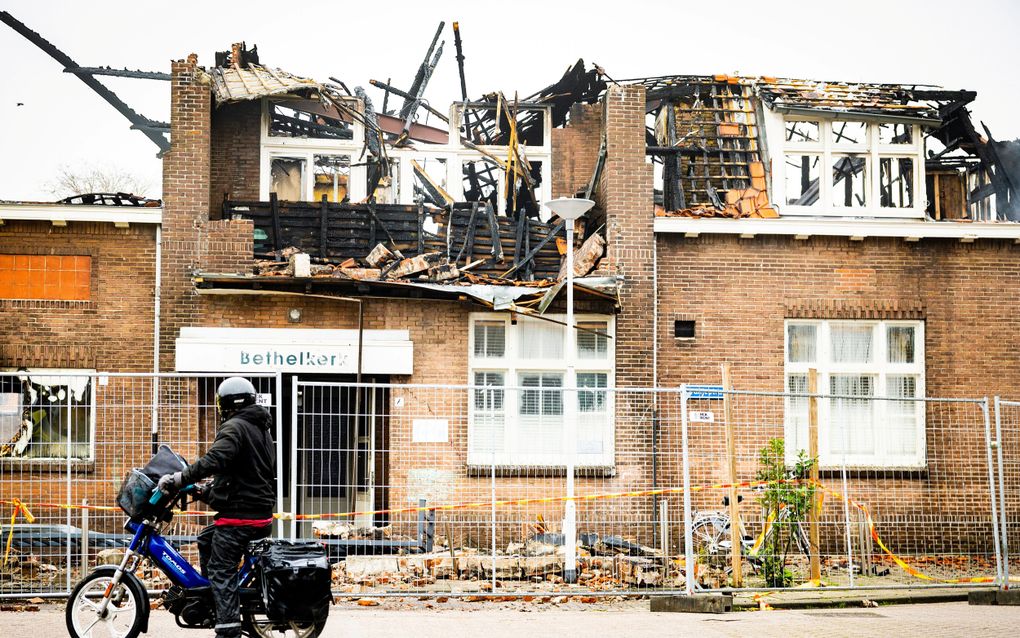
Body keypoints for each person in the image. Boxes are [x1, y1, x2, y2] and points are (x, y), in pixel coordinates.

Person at [158, 377, 276, 638]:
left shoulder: (235, 427)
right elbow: (242, 475)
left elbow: (215, 460)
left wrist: (180, 478)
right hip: (257, 512)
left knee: (221, 570)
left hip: (240, 518)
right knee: (205, 539)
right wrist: (205, 491)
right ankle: (212, 597)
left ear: (225, 404)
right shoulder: (260, 428)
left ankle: (227, 628)